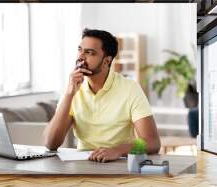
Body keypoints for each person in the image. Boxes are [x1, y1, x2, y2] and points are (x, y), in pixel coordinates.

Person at [44, 28, 160, 163]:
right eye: (80, 50)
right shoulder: (73, 89)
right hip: (83, 165)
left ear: (106, 61)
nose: (80, 57)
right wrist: (69, 94)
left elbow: (152, 142)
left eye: (89, 52)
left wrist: (117, 150)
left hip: (119, 164)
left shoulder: (130, 88)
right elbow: (50, 143)